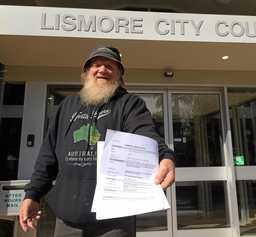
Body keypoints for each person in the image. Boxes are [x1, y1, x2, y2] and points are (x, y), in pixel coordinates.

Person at [19, 46, 175, 237]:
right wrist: (32, 194)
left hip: (114, 221)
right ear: (86, 73)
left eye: (110, 66)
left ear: (119, 75)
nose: (102, 69)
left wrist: (164, 155)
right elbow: (47, 155)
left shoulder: (129, 104)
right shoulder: (67, 106)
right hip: (67, 219)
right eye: (96, 65)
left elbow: (145, 134)